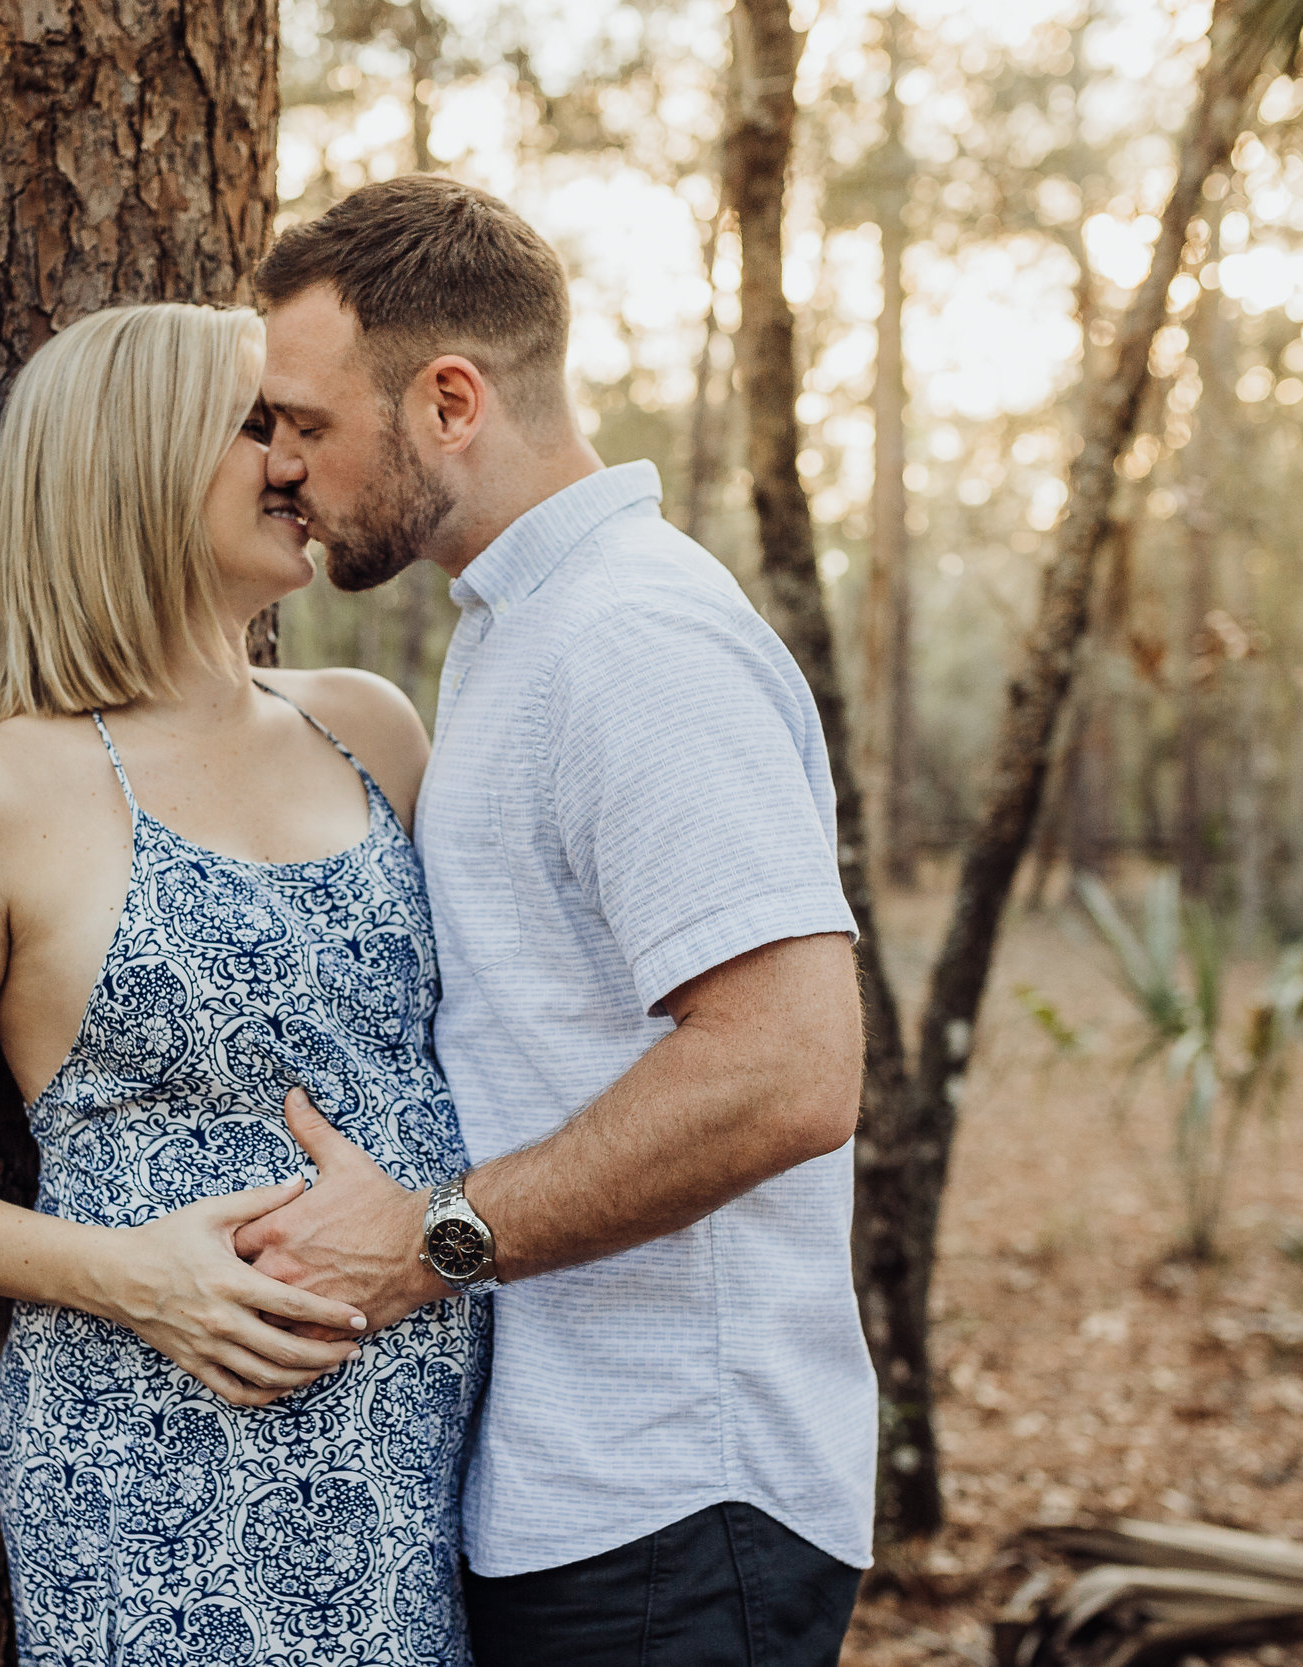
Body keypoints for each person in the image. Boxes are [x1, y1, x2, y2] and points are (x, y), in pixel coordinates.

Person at [232, 175, 879, 1667]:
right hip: (579, 1494)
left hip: (672, 1505)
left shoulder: (632, 639)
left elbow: (787, 1070)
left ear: (450, 399)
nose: (285, 471)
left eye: (311, 426)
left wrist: (434, 1242)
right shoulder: (529, 629)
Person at [0, 302, 487, 1666]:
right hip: (149, 1463)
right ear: (138, 463)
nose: (298, 461)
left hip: (421, 1455)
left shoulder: (369, 729)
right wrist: (130, 1279)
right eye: (259, 427)